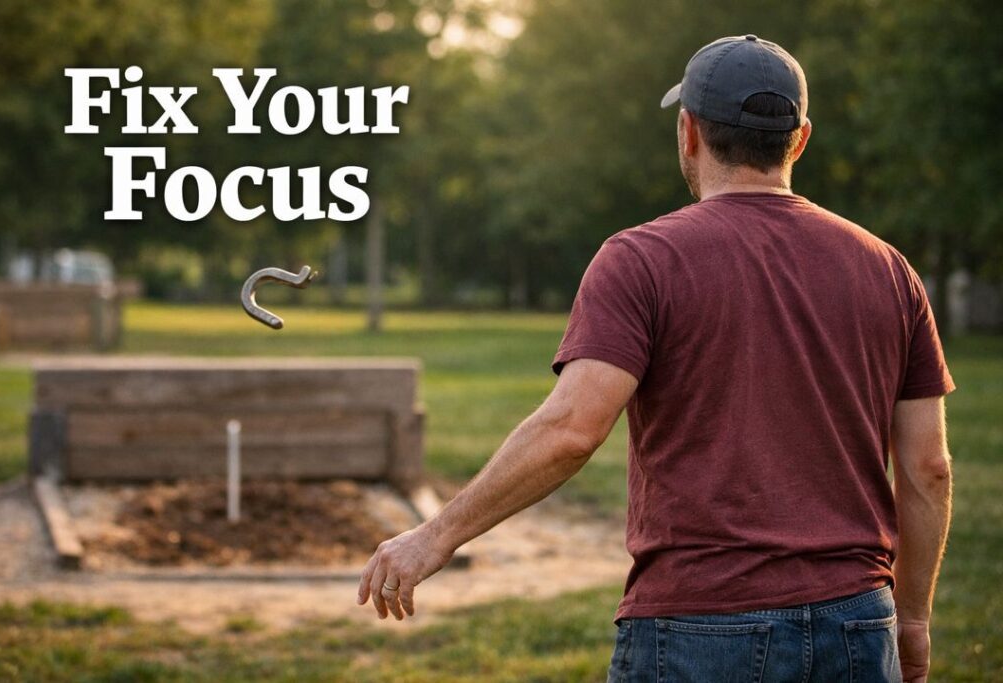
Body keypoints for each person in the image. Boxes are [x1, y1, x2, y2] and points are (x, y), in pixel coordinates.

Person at [357, 34, 954, 683]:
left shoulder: (643, 259)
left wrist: (433, 535)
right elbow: (928, 468)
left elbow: (571, 429)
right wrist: (914, 617)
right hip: (857, 626)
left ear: (689, 131)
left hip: (699, 626)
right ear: (800, 138)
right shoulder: (889, 270)